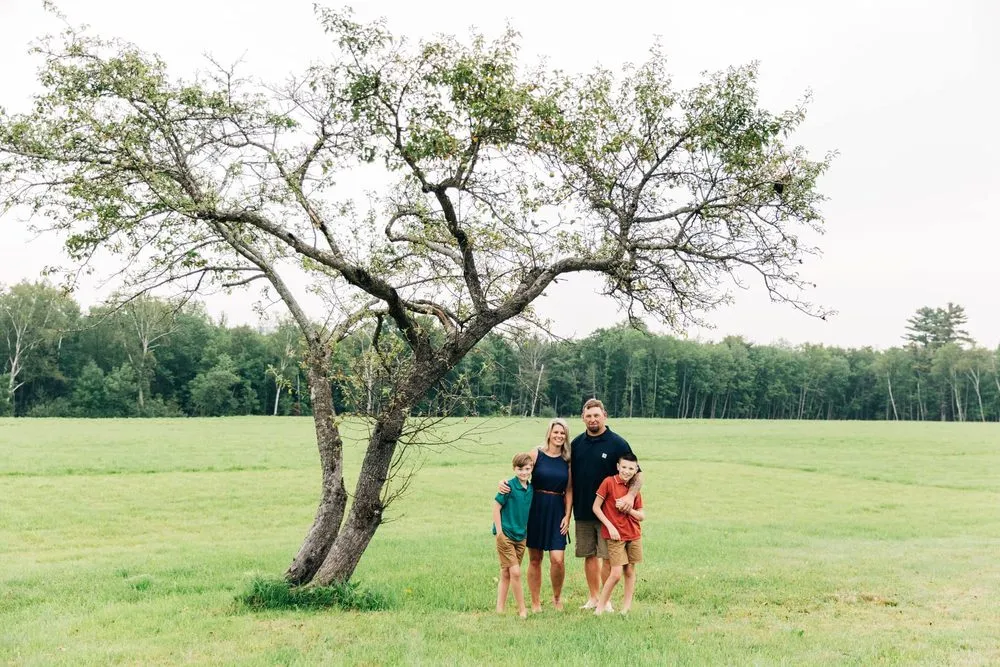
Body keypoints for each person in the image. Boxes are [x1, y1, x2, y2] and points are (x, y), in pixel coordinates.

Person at [570, 398, 642, 610]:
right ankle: (593, 597)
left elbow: (638, 474)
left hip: (609, 514)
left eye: (596, 415)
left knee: (608, 557)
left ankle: (605, 600)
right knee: (589, 555)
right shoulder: (576, 444)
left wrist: (630, 497)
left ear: (605, 416)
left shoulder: (617, 443)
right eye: (588, 416)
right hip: (583, 510)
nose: (592, 419)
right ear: (583, 418)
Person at [524, 419, 573, 612]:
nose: (559, 436)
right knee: (535, 559)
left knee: (558, 559)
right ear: (549, 434)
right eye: (556, 432)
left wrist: (567, 516)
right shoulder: (536, 454)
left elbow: (569, 490)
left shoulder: (567, 460)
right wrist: (504, 484)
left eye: (562, 433)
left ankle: (557, 597)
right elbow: (521, 473)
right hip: (535, 509)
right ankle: (535, 602)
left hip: (557, 510)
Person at [592, 452, 644, 615]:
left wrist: (629, 509)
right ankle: (600, 608)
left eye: (631, 468)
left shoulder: (634, 490)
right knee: (615, 574)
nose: (627, 471)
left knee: (629, 571)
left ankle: (625, 609)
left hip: (633, 534)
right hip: (615, 535)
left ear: (636, 470)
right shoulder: (609, 482)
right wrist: (610, 527)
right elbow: (596, 508)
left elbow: (642, 516)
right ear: (618, 467)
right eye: (624, 467)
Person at [492, 452, 534, 618]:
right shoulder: (508, 486)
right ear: (514, 469)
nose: (523, 472)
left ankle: (499, 609)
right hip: (506, 535)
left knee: (506, 572)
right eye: (520, 469)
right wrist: (499, 533)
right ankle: (522, 609)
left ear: (531, 469)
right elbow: (496, 507)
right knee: (515, 572)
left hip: (521, 536)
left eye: (527, 469)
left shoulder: (531, 489)